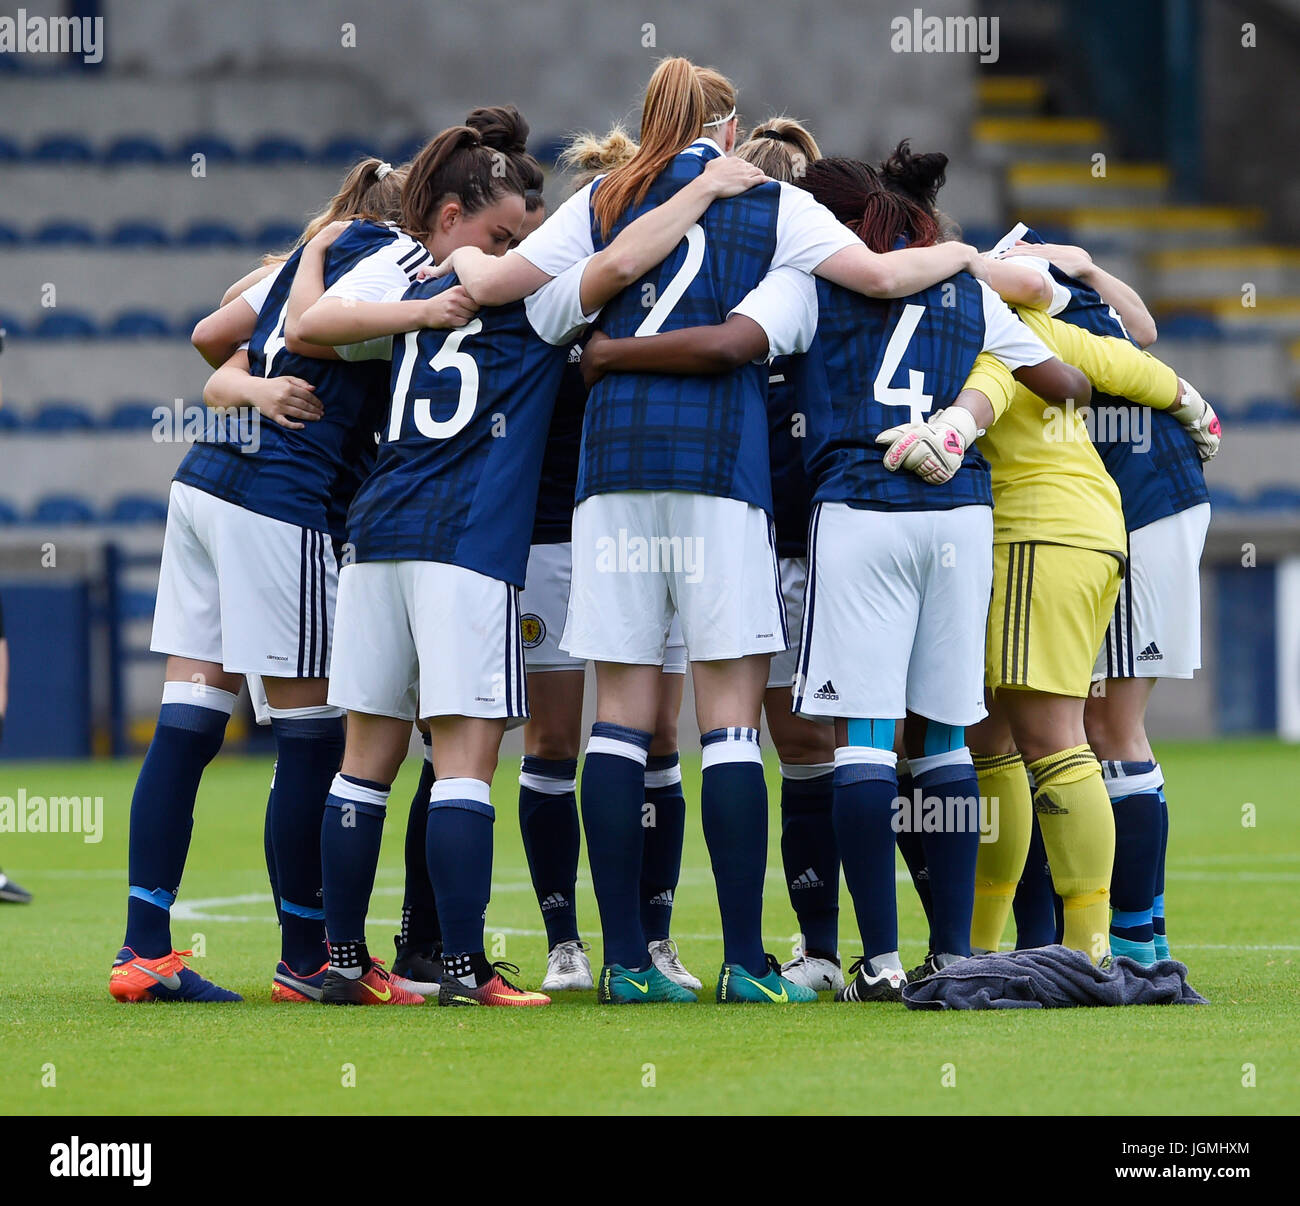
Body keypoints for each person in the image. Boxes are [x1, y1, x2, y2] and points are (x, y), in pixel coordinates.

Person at [434, 56, 991, 1006]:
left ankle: (621, 964)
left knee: (621, 717)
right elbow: (881, 273)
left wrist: (531, 299)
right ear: (728, 133)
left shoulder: (606, 196)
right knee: (729, 724)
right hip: (718, 477)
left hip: (611, 479)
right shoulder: (773, 207)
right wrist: (969, 256)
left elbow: (520, 293)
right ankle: (743, 961)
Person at [580, 154, 1079, 999]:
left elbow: (734, 342)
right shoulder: (968, 290)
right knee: (949, 740)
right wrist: (969, 402)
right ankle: (950, 953)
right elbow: (1065, 381)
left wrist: (611, 351)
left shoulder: (812, 280)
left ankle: (878, 962)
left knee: (865, 742)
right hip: (959, 516)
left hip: (859, 506)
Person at [292, 123, 766, 1006]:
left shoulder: (404, 276)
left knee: (365, 764)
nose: (512, 252)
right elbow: (621, 265)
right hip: (466, 550)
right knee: (466, 767)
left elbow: (308, 323)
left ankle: (342, 966)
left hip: (375, 536)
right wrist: (696, 190)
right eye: (506, 238)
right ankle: (466, 972)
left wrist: (370, 272)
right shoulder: (537, 305)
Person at [109, 157, 425, 1004]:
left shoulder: (303, 256)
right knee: (312, 734)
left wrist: (250, 385)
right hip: (282, 503)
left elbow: (212, 340)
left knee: (187, 725)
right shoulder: (401, 263)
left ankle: (144, 950)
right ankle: (307, 956)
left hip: (203, 484)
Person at [518, 128, 701, 994]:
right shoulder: (556, 296)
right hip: (553, 535)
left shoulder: (653, 298)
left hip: (636, 530)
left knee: (659, 733)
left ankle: (651, 936)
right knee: (553, 737)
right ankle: (565, 939)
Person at [1000, 233, 1216, 964]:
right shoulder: (1091, 298)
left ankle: (1132, 938)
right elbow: (1146, 332)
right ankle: (1136, 933)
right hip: (1147, 500)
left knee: (1108, 723)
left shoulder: (1029, 286)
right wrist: (1087, 264)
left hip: (1143, 502)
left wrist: (974, 265)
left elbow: (1033, 289)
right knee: (1095, 724)